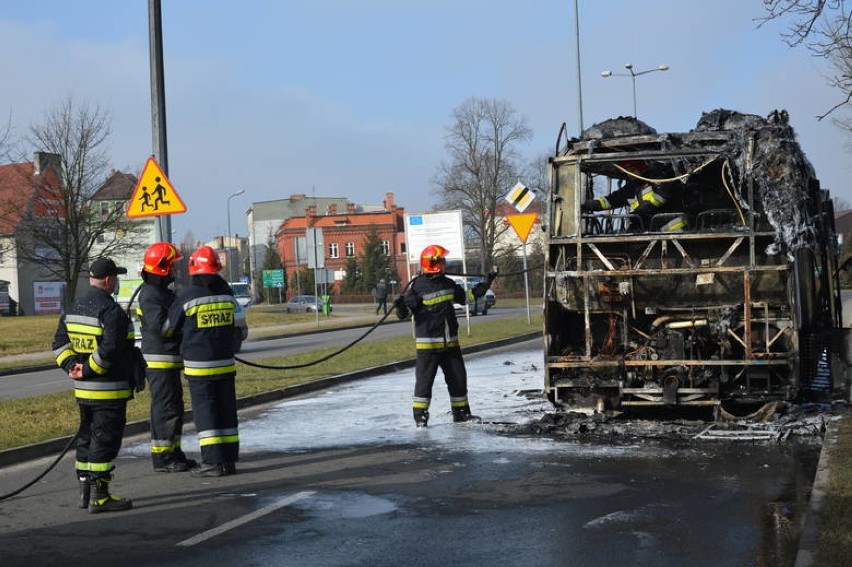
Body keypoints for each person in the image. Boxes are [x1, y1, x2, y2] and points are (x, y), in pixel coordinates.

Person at [52, 257, 137, 513]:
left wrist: (72, 368)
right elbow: (110, 349)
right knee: (105, 441)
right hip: (108, 391)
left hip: (83, 391)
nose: (118, 283)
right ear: (109, 280)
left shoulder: (73, 307)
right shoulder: (111, 312)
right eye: (117, 278)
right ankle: (101, 497)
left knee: (86, 439)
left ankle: (84, 491)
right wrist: (88, 369)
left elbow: (59, 344)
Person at [393, 245, 496, 427]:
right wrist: (400, 306)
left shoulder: (448, 283)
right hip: (428, 348)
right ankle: (420, 417)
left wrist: (486, 284)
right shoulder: (417, 287)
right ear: (433, 264)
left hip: (450, 345)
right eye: (442, 261)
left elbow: (466, 297)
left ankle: (461, 414)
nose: (445, 264)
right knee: (424, 384)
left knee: (458, 379)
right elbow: (406, 313)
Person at [164, 245, 240, 477]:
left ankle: (212, 463)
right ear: (217, 268)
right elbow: (241, 329)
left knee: (206, 412)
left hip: (199, 367)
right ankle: (227, 461)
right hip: (226, 364)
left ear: (193, 268)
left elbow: (167, 329)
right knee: (226, 410)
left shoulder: (187, 296)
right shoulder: (228, 294)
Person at [138, 242, 196, 473]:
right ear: (162, 268)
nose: (175, 270)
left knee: (174, 408)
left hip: (169, 360)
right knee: (165, 410)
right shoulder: (151, 295)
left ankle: (174, 451)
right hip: (159, 361)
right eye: (172, 266)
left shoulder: (160, 292)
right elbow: (162, 328)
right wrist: (181, 311)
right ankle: (163, 458)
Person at [581, 173, 686, 232]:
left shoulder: (666, 181)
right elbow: (612, 200)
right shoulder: (633, 187)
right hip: (650, 233)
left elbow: (660, 198)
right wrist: (589, 205)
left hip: (674, 231)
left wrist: (638, 213)